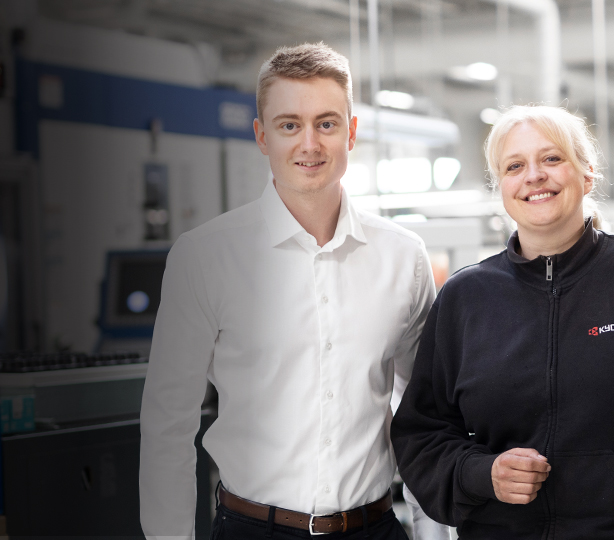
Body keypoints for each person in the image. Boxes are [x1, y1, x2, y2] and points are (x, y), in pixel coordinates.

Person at [140, 42, 449, 540]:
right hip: (252, 529)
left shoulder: (403, 257)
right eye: (289, 125)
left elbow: (424, 415)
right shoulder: (204, 257)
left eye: (326, 124)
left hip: (373, 528)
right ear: (262, 136)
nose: (309, 144)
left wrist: (433, 533)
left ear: (351, 132)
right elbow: (167, 425)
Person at [391, 104, 614, 539]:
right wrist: (482, 473)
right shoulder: (465, 298)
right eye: (516, 166)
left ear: (587, 174)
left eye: (552, 158)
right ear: (503, 188)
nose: (534, 176)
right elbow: (422, 434)